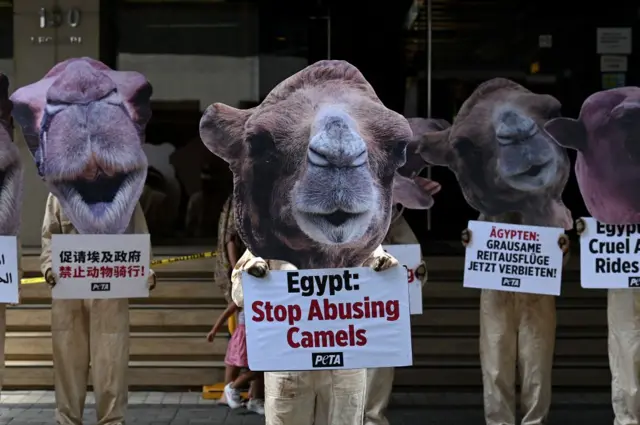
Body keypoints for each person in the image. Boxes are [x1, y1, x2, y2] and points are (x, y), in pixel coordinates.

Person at [41, 193, 156, 425]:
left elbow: (139, 234)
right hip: (69, 286)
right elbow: (49, 237)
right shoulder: (59, 193)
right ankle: (67, 420)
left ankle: (112, 420)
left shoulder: (124, 191)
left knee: (112, 358)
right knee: (67, 357)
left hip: (111, 286)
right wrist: (48, 268)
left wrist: (145, 269)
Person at [206, 301, 265, 415]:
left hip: (259, 335)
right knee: (258, 368)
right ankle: (233, 387)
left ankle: (255, 399)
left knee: (260, 370)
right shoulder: (243, 295)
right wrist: (214, 330)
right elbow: (228, 311)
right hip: (245, 337)